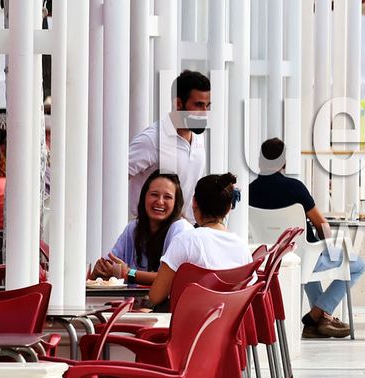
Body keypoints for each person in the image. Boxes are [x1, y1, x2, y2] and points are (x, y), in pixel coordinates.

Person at [248, 137, 365, 339]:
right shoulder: (295, 187)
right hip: (304, 254)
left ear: (260, 161)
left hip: (273, 258)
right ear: (284, 163)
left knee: (306, 256)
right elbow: (321, 224)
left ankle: (320, 321)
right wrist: (330, 246)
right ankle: (316, 315)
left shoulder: (250, 190)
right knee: (357, 265)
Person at [146, 173, 251, 308]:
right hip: (227, 327)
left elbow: (155, 296)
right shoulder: (242, 248)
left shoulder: (185, 241)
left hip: (186, 327)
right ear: (229, 208)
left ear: (194, 202)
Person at [127, 69, 211, 223]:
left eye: (207, 106)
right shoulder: (152, 139)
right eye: (198, 105)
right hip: (149, 235)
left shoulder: (198, 137)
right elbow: (116, 178)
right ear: (178, 103)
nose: (204, 113)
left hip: (184, 232)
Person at [89, 171, 187, 285]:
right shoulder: (133, 228)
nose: (160, 201)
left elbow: (169, 279)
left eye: (167, 197)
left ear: (176, 203)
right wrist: (102, 269)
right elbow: (112, 266)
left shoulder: (180, 230)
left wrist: (128, 273)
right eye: (154, 194)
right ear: (144, 197)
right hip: (133, 302)